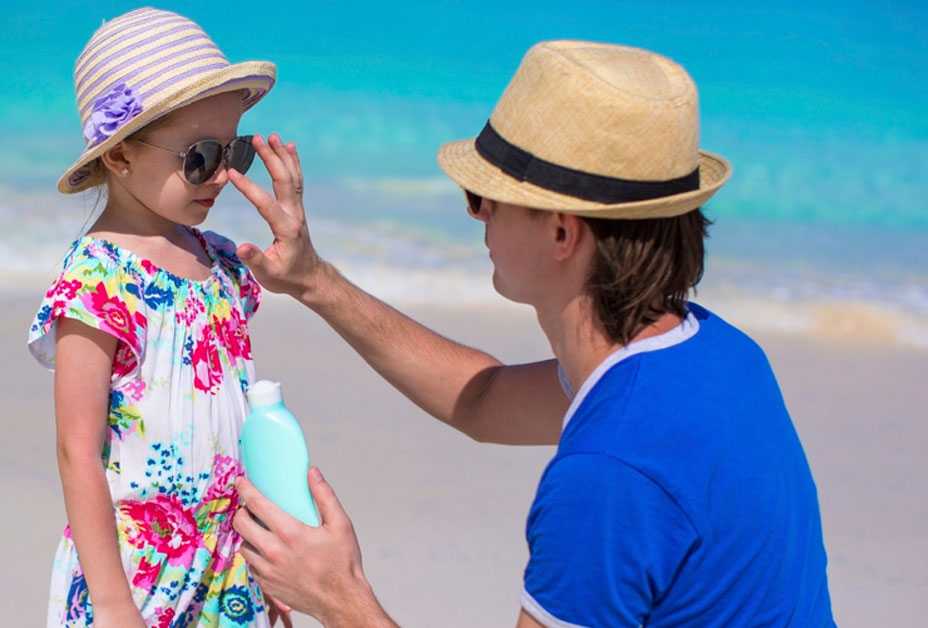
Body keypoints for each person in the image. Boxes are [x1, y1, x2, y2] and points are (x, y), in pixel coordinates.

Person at [231, 41, 835, 626]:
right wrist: (315, 281)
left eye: (484, 197)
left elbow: (616, 468)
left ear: (562, 234)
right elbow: (484, 400)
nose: (476, 214)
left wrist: (339, 598)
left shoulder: (609, 474)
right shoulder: (718, 354)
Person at [27, 8, 291, 627]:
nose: (223, 175)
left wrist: (271, 553)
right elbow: (76, 450)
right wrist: (113, 603)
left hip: (229, 561)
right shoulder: (98, 277)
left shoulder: (221, 263)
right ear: (120, 156)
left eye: (235, 153)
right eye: (201, 157)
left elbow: (239, 424)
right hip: (137, 571)